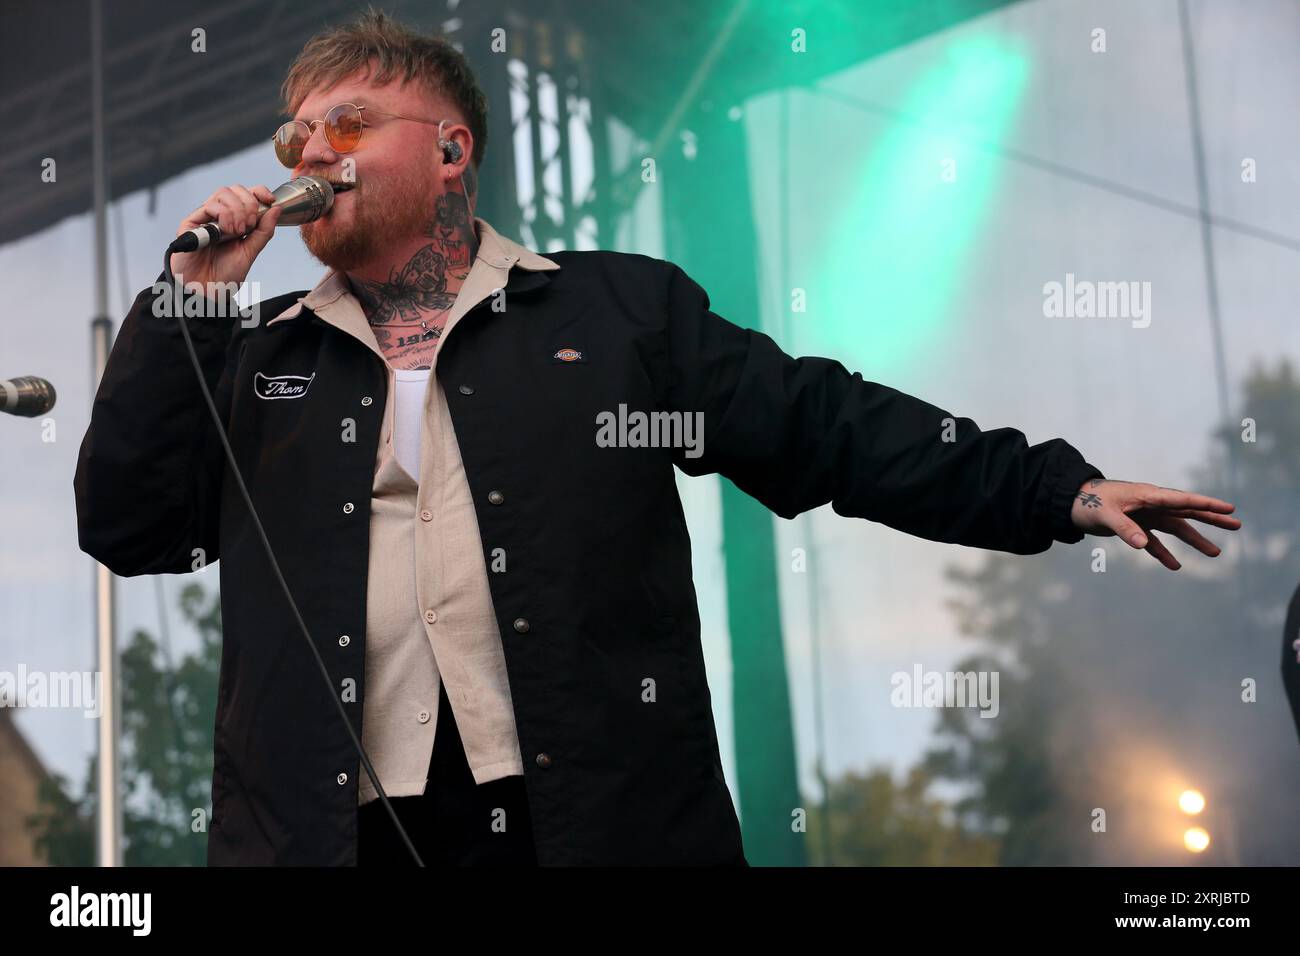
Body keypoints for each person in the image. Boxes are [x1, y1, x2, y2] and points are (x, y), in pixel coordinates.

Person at [73, 10, 1242, 866]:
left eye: (349, 122)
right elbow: (125, 521)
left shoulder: (612, 314)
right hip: (330, 834)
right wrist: (188, 303)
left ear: (449, 150)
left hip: (586, 820)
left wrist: (1055, 489)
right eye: (296, 135)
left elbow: (826, 425)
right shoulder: (256, 348)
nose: (309, 153)